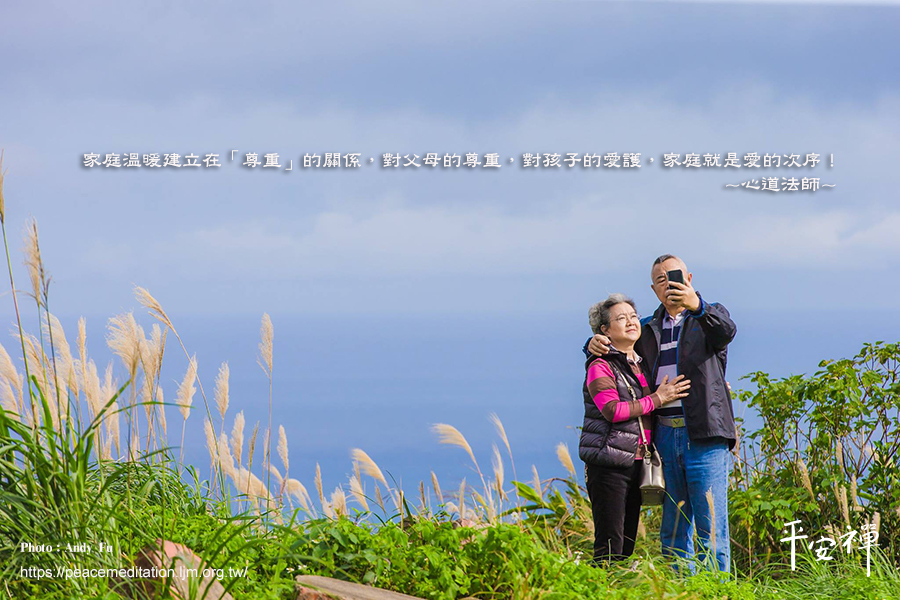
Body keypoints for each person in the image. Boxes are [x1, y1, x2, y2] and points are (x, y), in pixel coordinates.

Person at [585, 255, 737, 572]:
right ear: (653, 289)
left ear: (690, 278)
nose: (669, 283)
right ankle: (682, 591)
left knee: (711, 529)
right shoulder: (647, 330)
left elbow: (726, 331)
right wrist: (592, 342)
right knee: (674, 529)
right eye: (661, 279)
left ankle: (716, 594)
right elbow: (616, 345)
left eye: (675, 275)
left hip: (705, 434)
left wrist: (697, 304)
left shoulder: (708, 318)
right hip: (664, 436)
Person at [580, 293, 690, 566]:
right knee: (609, 544)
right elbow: (613, 410)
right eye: (620, 318)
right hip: (608, 464)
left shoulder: (640, 363)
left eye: (632, 316)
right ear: (604, 331)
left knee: (626, 544)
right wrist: (657, 399)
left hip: (634, 462)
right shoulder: (600, 365)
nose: (630, 321)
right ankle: (599, 591)